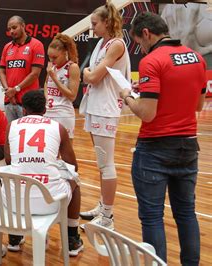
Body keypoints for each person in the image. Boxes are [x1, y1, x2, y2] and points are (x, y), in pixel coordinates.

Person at [120, 12, 206, 264]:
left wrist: (128, 97)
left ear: (146, 33)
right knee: (186, 213)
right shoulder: (198, 57)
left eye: (139, 41)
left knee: (152, 217)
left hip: (155, 146)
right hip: (189, 144)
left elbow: (147, 114)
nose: (141, 47)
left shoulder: (151, 61)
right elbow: (199, 105)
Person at [0, 90, 83, 255]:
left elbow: (9, 160)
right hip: (49, 203)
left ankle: (15, 237)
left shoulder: (12, 126)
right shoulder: (58, 127)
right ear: (45, 110)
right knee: (75, 180)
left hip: (16, 202)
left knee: (12, 175)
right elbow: (72, 165)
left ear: (23, 110)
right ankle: (72, 239)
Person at [80, 3, 131, 230]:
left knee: (107, 164)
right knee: (101, 164)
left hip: (106, 108)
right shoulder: (102, 43)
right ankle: (103, 206)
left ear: (107, 22)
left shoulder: (116, 44)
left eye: (94, 23)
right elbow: (89, 75)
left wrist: (87, 74)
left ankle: (108, 217)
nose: (92, 28)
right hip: (94, 105)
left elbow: (93, 77)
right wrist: (88, 74)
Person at [0, 15, 45, 122]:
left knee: (27, 136)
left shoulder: (37, 45)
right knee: (12, 135)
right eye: (9, 29)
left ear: (23, 26)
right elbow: (1, 72)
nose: (11, 31)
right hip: (9, 100)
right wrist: (8, 91)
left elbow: (35, 74)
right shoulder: (7, 47)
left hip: (28, 103)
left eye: (14, 27)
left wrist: (15, 90)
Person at [44, 34, 80, 143]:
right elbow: (46, 84)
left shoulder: (72, 67)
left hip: (63, 113)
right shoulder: (52, 67)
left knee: (65, 152)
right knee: (48, 149)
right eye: (49, 57)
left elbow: (72, 96)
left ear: (65, 53)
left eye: (55, 57)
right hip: (48, 112)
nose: (51, 60)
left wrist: (55, 78)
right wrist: (47, 98)